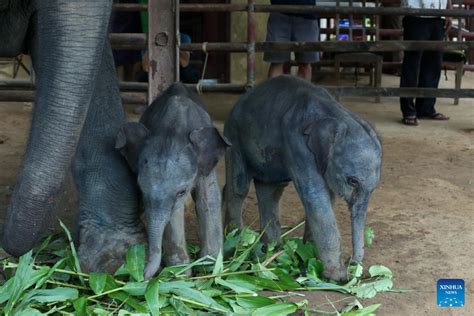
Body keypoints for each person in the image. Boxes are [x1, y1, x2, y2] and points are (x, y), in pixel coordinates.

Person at [399, 0, 452, 126]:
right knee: (412, 64)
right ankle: (408, 111)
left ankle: (426, 108)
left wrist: (448, 13)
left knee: (433, 64)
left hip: (438, 16)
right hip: (416, 14)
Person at [264, 0, 319, 81]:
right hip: (280, 13)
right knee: (277, 62)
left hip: (306, 15)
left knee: (305, 63)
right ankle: (273, 93)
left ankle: (302, 93)